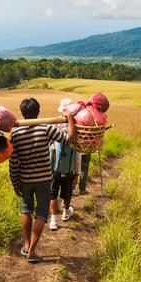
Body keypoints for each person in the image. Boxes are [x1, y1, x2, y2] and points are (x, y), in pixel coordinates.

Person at [9, 98, 76, 263]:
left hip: (25, 180)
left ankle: (26, 245)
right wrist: (70, 119)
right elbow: (70, 139)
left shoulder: (15, 134)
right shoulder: (46, 129)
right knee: (41, 214)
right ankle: (32, 251)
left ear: (22, 113)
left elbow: (13, 163)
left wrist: (15, 183)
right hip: (44, 179)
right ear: (38, 112)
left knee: (26, 209)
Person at [49, 98, 81, 230]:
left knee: (53, 194)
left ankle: (52, 220)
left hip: (54, 169)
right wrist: (77, 172)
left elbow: (49, 147)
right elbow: (78, 153)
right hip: (68, 170)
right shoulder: (77, 129)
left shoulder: (55, 126)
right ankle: (65, 212)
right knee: (67, 193)